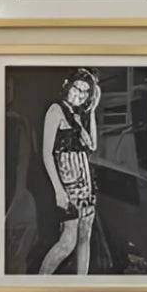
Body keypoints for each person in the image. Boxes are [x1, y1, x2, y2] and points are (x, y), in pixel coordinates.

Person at [37, 70, 100, 276]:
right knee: (67, 241)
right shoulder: (55, 111)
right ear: (67, 85)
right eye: (76, 88)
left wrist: (92, 111)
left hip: (86, 185)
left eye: (84, 92)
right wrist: (58, 190)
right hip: (68, 185)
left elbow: (92, 146)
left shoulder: (78, 115)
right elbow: (46, 153)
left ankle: (82, 284)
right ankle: (40, 282)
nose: (79, 95)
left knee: (85, 236)